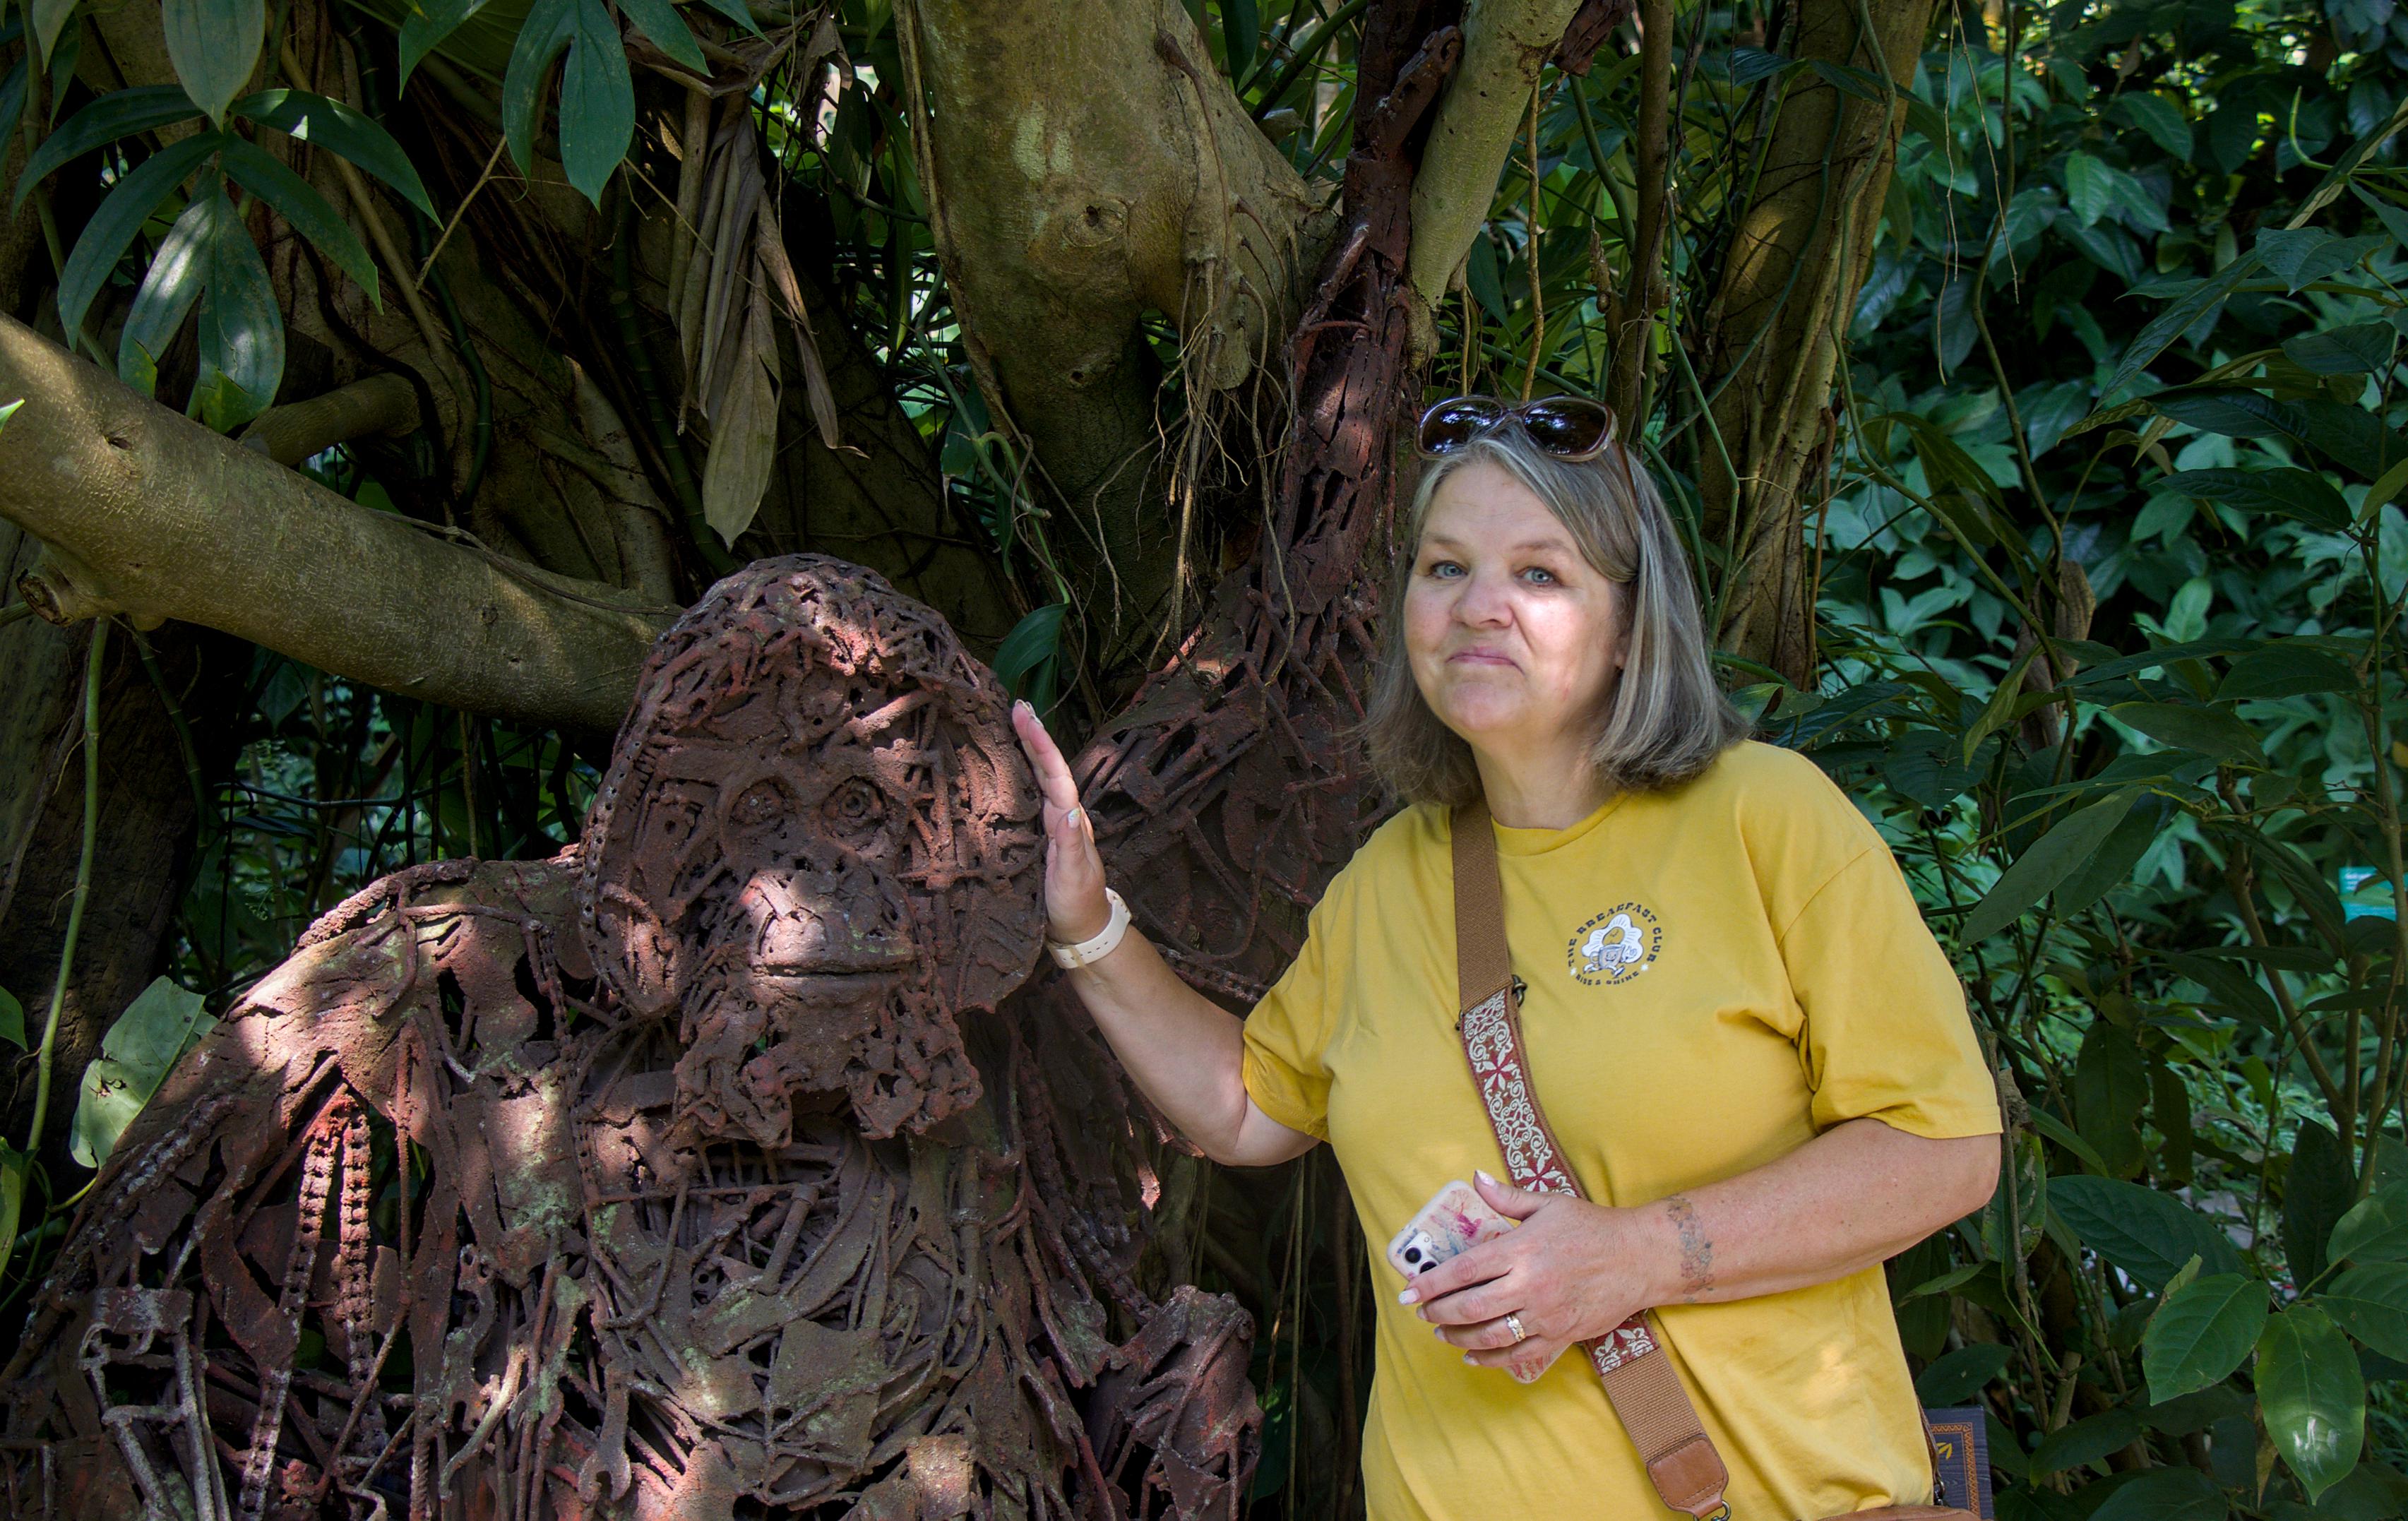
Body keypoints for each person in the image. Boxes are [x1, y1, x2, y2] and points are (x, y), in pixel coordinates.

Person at [1011, 395, 2003, 1520]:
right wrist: (1085, 923)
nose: (1479, 607)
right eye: (1443, 568)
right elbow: (1247, 1105)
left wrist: (1635, 1256)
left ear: (1629, 623)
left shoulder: (1763, 818)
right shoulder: (1389, 878)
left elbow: (1945, 1149)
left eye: (1539, 574)